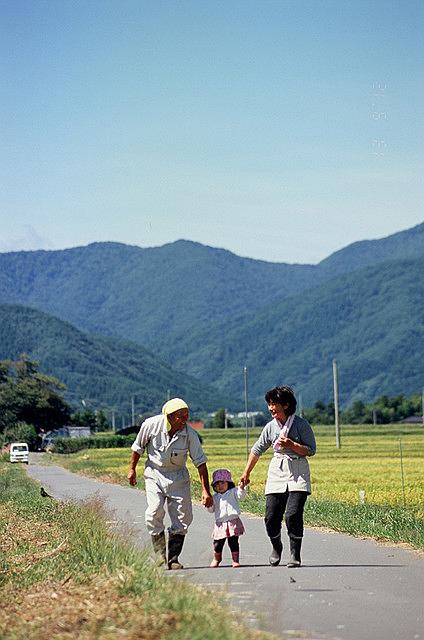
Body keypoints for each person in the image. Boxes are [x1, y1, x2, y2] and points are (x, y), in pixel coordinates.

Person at [128, 397, 213, 570]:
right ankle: (160, 555)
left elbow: (200, 462)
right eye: (180, 416)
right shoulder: (150, 426)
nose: (184, 420)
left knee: (183, 517)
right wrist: (132, 469)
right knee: (154, 512)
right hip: (154, 473)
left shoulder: (190, 434)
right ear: (169, 416)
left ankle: (173, 558)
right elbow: (138, 448)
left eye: (186, 416)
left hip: (178, 477)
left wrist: (206, 490)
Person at [240, 386, 316, 568]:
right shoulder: (270, 427)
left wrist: (291, 444)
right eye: (270, 404)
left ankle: (295, 554)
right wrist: (246, 473)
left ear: (286, 405)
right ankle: (276, 545)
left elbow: (310, 450)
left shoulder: (301, 425)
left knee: (293, 514)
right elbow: (257, 450)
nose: (271, 408)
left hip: (298, 471)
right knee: (271, 516)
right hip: (277, 471)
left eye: (274, 404)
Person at [207, 468, 246, 568]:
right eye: (217, 484)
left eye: (222, 483)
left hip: (233, 521)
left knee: (233, 542)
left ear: (228, 483)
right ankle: (217, 558)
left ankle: (235, 560)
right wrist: (208, 504)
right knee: (218, 543)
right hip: (220, 523)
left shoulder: (233, 492)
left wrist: (241, 488)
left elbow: (241, 497)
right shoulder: (215, 497)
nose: (220, 486)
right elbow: (211, 510)